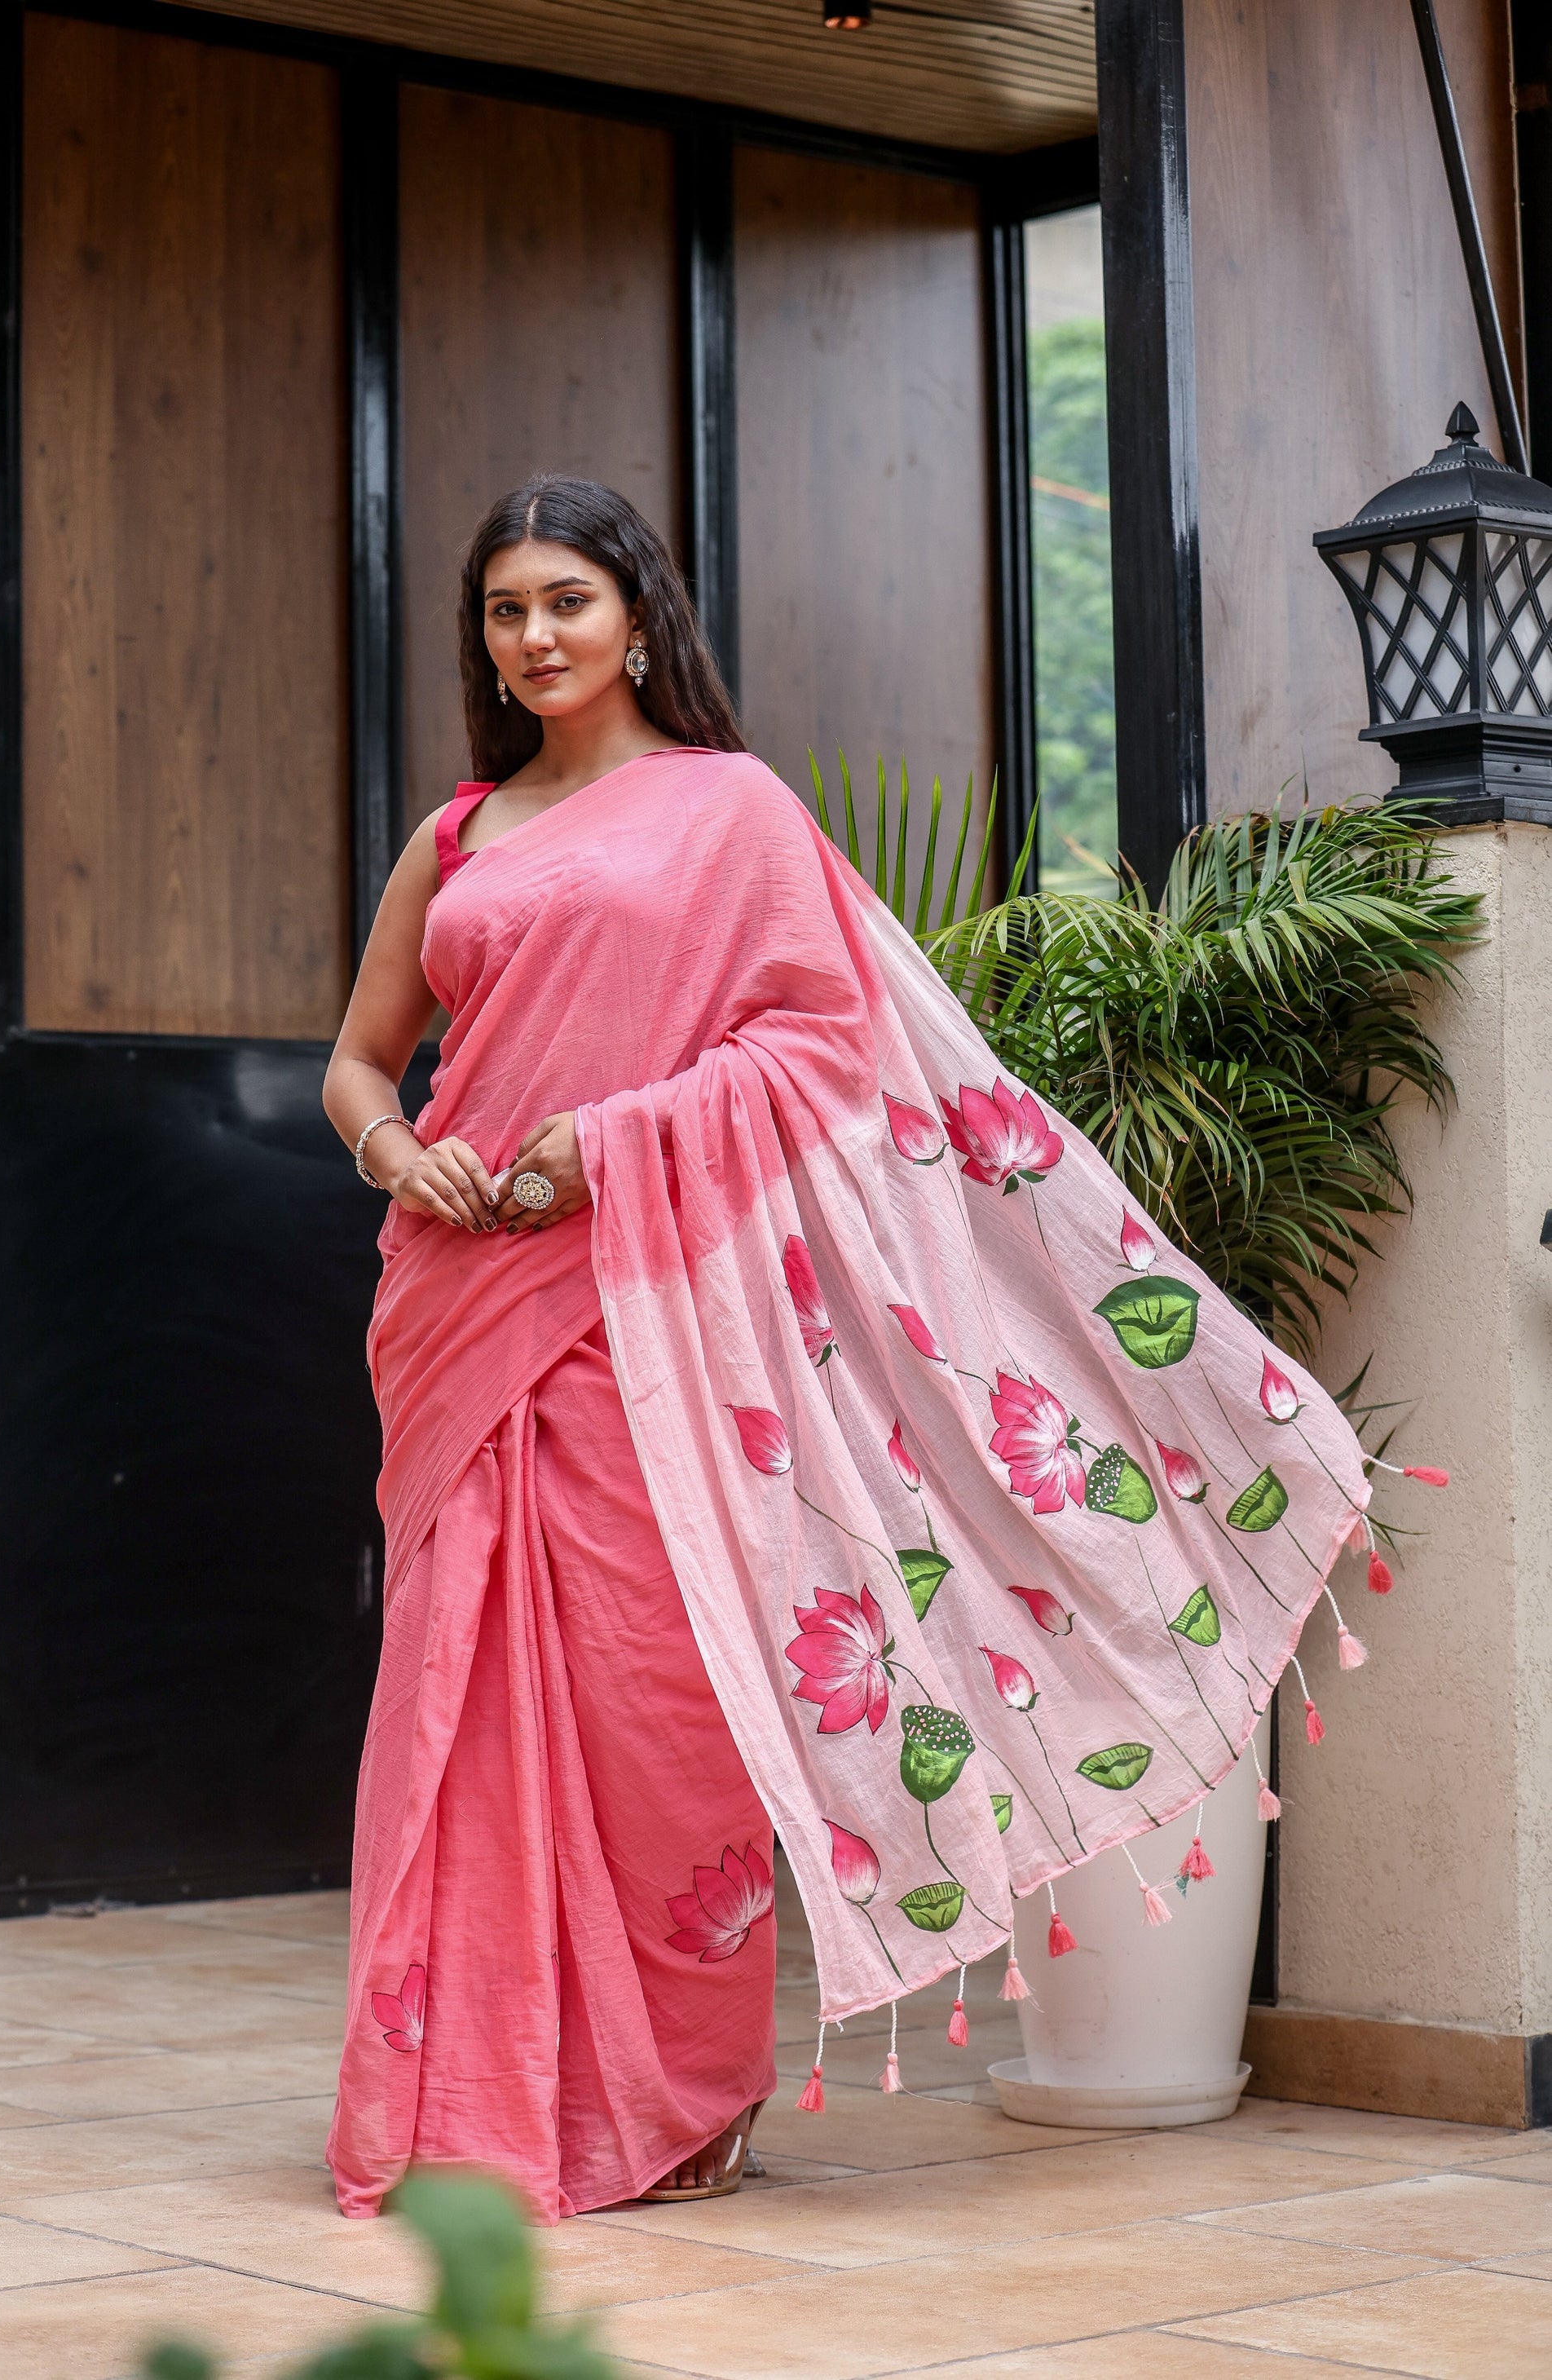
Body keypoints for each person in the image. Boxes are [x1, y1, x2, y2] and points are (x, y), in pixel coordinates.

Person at [322, 475, 1373, 2225]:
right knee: (457, 1704)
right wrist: (386, 1145)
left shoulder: (726, 810)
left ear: (638, 616)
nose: (534, 635)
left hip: (639, 1316)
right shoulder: (455, 838)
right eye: (505, 608)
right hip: (458, 1306)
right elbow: (361, 1056)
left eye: (565, 599)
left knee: (659, 1707)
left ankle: (670, 2095)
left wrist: (613, 1138)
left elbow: (817, 1043)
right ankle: (465, 2101)